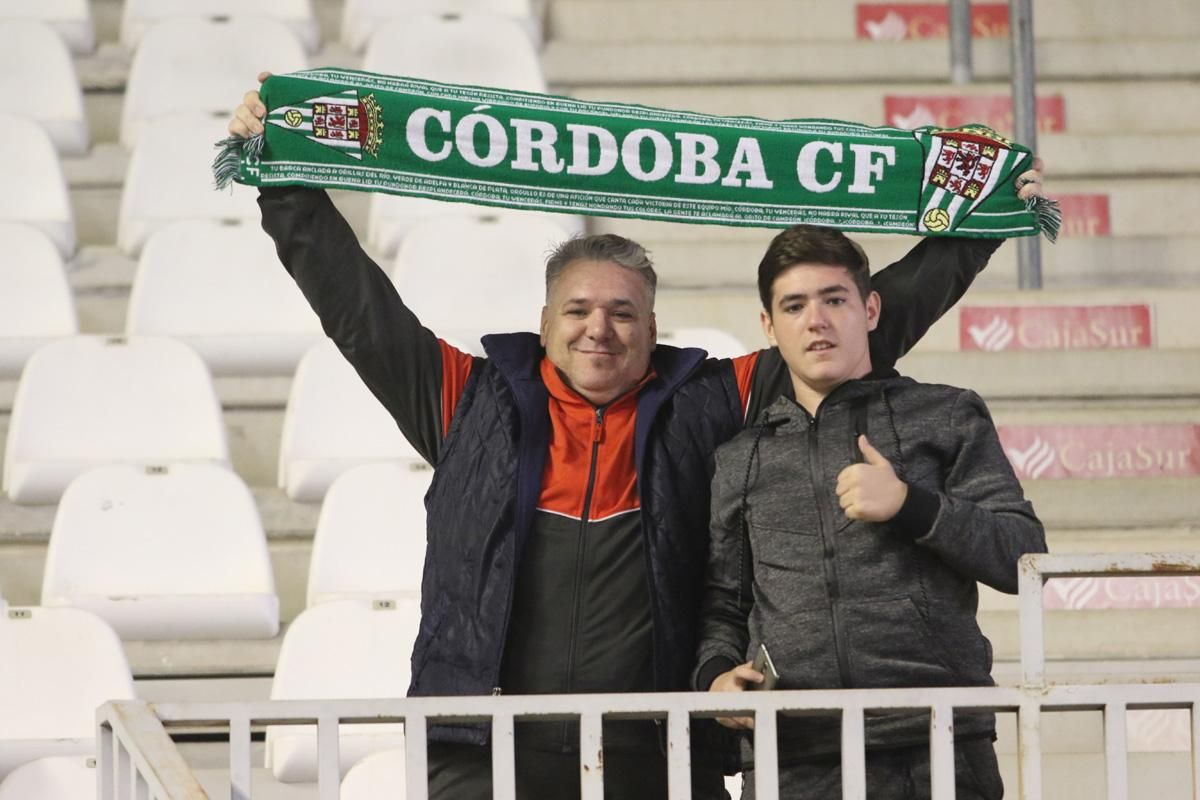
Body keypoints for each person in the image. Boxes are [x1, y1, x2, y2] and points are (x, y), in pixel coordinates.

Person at [228, 78, 1047, 799]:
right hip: (481, 754)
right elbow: (357, 308)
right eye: (578, 311)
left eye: (623, 313)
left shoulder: (704, 401)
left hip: (657, 754)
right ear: (543, 322)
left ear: (653, 328)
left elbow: (852, 325)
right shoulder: (465, 400)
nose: (599, 330)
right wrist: (284, 183)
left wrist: (978, 223)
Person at [694, 225, 1048, 799]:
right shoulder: (740, 456)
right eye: (795, 305)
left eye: (835, 299)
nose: (817, 320)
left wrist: (913, 505)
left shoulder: (946, 413)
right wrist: (714, 672)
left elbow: (1022, 556)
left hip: (938, 744)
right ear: (769, 325)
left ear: (871, 308)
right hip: (794, 759)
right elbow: (723, 601)